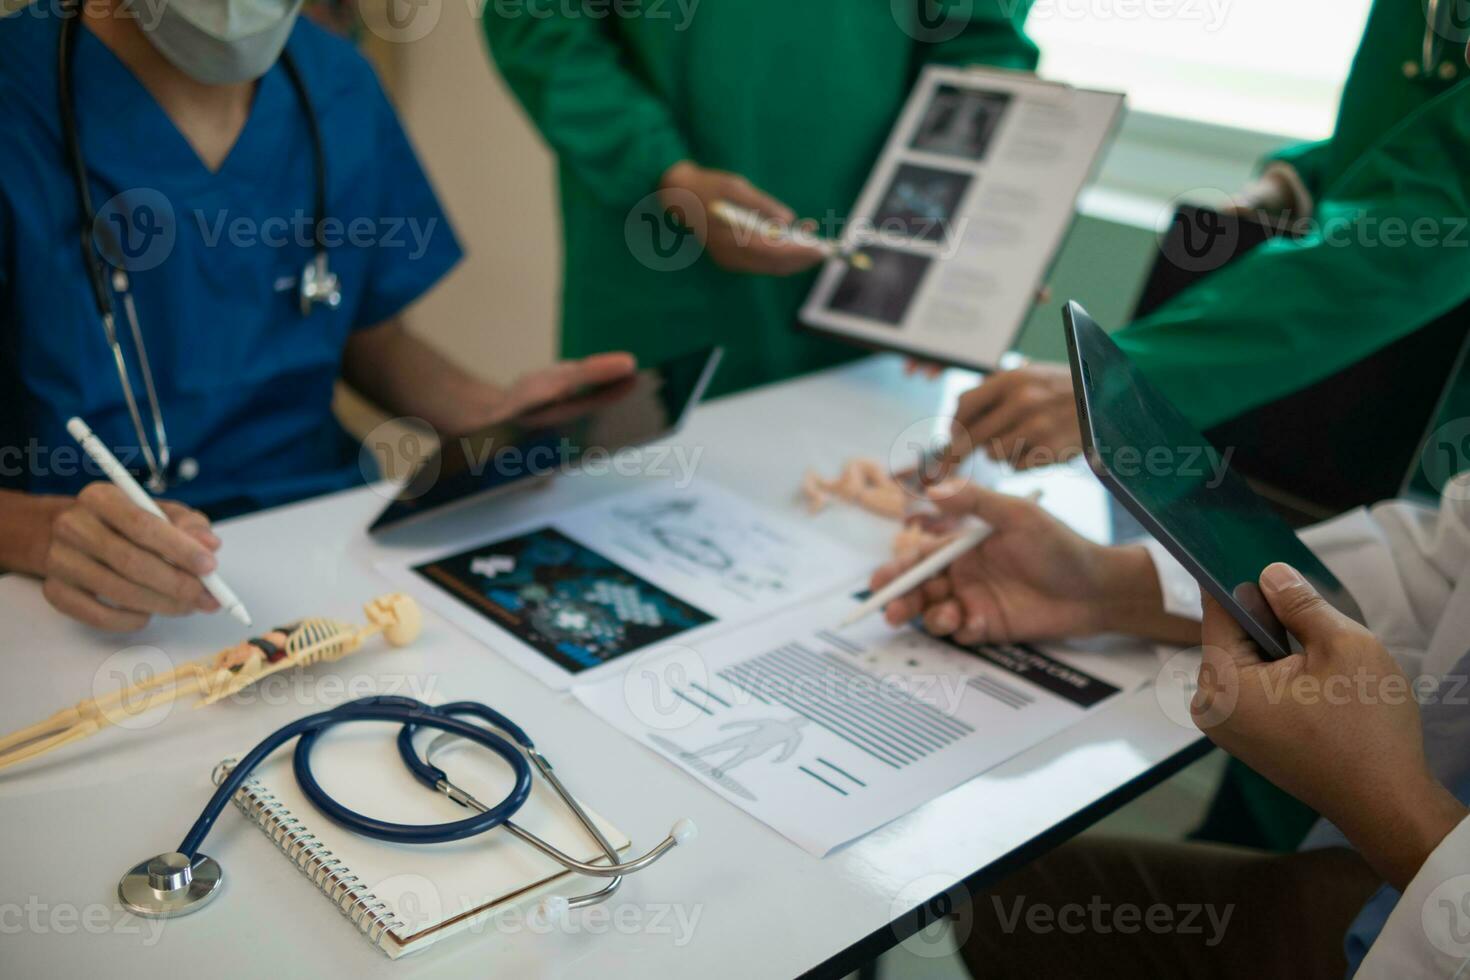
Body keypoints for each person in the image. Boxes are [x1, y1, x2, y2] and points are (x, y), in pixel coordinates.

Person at [0, 0, 635, 631]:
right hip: (84, 600)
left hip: (325, 538)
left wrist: (496, 420)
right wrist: (40, 534)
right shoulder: (17, 94)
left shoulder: (337, 82)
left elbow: (371, 336)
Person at [871, 477, 1470, 975]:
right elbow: (1444, 570)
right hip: (1393, 880)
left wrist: (1387, 803)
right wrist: (1102, 588)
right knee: (1011, 901)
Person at [940, 0, 1470, 473]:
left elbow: (1436, 218)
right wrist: (1300, 178)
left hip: (1414, 426)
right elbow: (1412, 121)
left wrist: (1125, 384)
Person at [481, 0, 1039, 397]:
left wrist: (982, 213)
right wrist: (665, 174)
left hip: (877, 274)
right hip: (662, 267)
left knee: (858, 518)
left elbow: (981, 46)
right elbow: (535, 19)